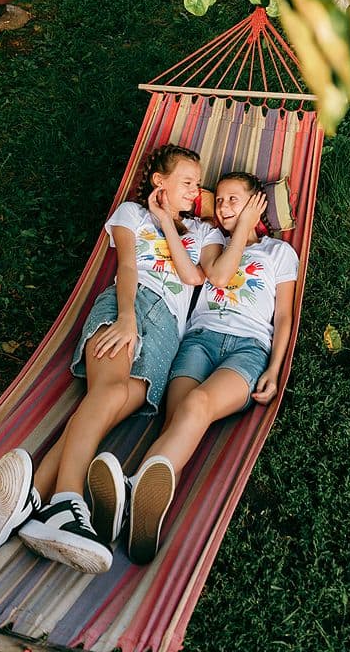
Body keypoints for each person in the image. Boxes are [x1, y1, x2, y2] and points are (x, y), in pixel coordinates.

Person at [0, 144, 224, 574]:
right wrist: (126, 317)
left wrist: (166, 221)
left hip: (166, 331)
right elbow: (127, 266)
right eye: (186, 182)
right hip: (127, 303)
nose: (195, 190)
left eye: (198, 184)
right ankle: (65, 503)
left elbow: (195, 277)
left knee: (108, 401)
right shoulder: (131, 214)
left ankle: (27, 500)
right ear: (159, 183)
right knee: (107, 390)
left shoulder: (204, 233)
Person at [86, 171, 299, 564]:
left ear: (258, 204)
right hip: (197, 341)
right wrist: (240, 228)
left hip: (248, 350)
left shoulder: (280, 254)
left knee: (197, 406)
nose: (223, 207)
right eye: (218, 200)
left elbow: (285, 316)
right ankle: (141, 526)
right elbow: (217, 275)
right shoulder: (214, 242)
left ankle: (130, 493)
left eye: (235, 200)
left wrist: (274, 366)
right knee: (177, 427)